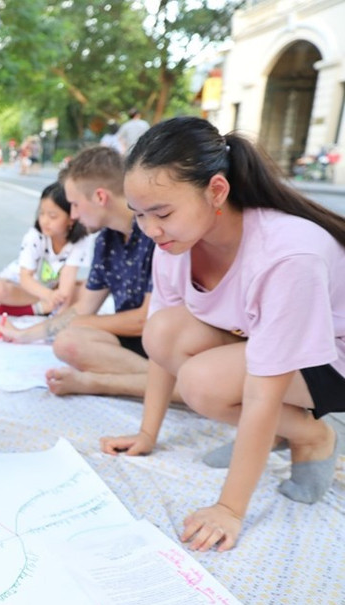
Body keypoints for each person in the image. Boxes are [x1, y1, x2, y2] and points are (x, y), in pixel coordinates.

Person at [100, 116, 345, 552]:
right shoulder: (174, 243)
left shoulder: (287, 255)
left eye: (162, 213)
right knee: (163, 332)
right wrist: (147, 435)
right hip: (269, 343)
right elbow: (161, 350)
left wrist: (229, 509)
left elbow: (262, 390)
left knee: (202, 383)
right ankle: (280, 434)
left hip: (333, 358)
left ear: (216, 191)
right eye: (139, 215)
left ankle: (314, 435)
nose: (150, 229)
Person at [0, 146, 159, 399]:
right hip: (136, 342)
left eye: (74, 204)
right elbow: (83, 309)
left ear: (100, 197)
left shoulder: (154, 231)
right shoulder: (106, 239)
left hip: (166, 340)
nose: (73, 215)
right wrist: (23, 335)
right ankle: (158, 382)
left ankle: (161, 386)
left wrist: (85, 321)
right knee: (67, 342)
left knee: (74, 331)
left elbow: (145, 320)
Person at [0, 182, 92, 316]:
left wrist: (61, 311)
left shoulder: (80, 240)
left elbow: (68, 276)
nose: (44, 221)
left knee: (90, 287)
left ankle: (35, 308)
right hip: (21, 286)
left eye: (52, 216)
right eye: (42, 214)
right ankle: (43, 307)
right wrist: (50, 296)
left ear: (71, 219)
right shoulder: (35, 236)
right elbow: (25, 278)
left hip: (53, 289)